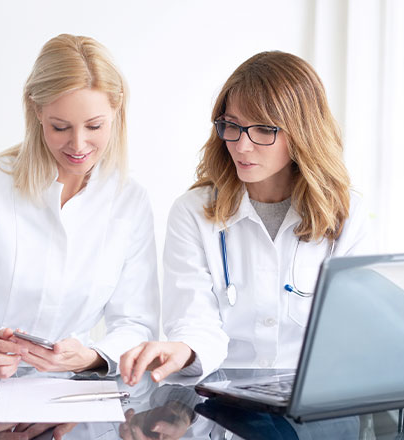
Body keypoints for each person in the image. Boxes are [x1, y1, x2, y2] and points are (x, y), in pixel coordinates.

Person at [120, 51, 370, 385]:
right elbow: (194, 322)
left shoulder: (345, 214)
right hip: (223, 395)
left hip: (314, 393)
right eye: (233, 126)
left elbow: (353, 330)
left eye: (263, 130)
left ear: (303, 132)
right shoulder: (193, 212)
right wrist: (186, 351)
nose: (242, 146)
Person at [0, 34, 159, 382]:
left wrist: (89, 358)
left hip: (73, 391)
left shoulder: (130, 200)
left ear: (116, 110)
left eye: (94, 126)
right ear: (36, 110)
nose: (78, 144)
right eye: (60, 127)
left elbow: (136, 322)